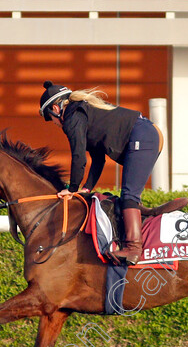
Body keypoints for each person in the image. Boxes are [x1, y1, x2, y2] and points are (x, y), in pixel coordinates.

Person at [39, 80, 162, 265]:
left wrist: (72, 188)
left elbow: (78, 157)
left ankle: (134, 249)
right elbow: (98, 159)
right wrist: (86, 189)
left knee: (129, 195)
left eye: (51, 118)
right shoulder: (83, 114)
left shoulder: (72, 117)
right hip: (145, 133)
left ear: (56, 108)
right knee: (127, 198)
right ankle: (142, 216)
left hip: (143, 135)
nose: (54, 123)